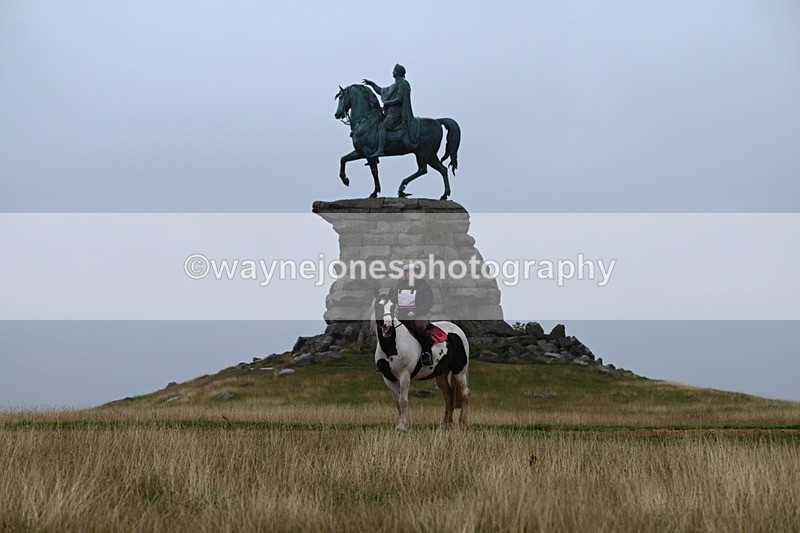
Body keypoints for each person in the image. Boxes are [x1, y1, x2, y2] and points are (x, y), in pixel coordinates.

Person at [362, 64, 420, 158]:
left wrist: (387, 103)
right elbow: (381, 91)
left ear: (397, 72)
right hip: (390, 113)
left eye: (394, 70)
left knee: (383, 126)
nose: (392, 72)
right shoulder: (394, 86)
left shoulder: (402, 84)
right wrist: (372, 84)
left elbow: (399, 99)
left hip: (397, 114)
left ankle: (380, 150)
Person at [389, 261, 435, 366]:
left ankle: (426, 353)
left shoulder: (424, 285)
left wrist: (415, 312)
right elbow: (394, 300)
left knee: (419, 326)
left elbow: (429, 302)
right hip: (401, 315)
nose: (410, 274)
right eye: (408, 272)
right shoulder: (399, 285)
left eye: (414, 272)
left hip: (418, 315)